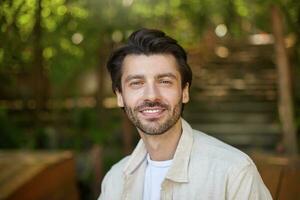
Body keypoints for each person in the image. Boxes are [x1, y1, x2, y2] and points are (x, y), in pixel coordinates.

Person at [98, 28, 272, 200]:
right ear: (120, 96)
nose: (151, 95)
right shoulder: (115, 181)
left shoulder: (233, 173)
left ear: (185, 92)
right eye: (137, 83)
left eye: (165, 81)